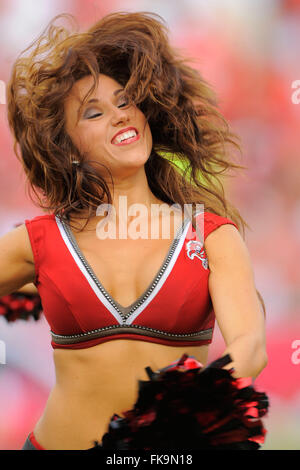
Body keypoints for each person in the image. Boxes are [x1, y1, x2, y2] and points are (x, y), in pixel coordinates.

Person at [1, 11, 267, 450]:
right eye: (93, 113)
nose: (120, 117)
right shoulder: (42, 240)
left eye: (125, 102)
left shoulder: (212, 236)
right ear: (66, 148)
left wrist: (181, 418)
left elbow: (251, 347)